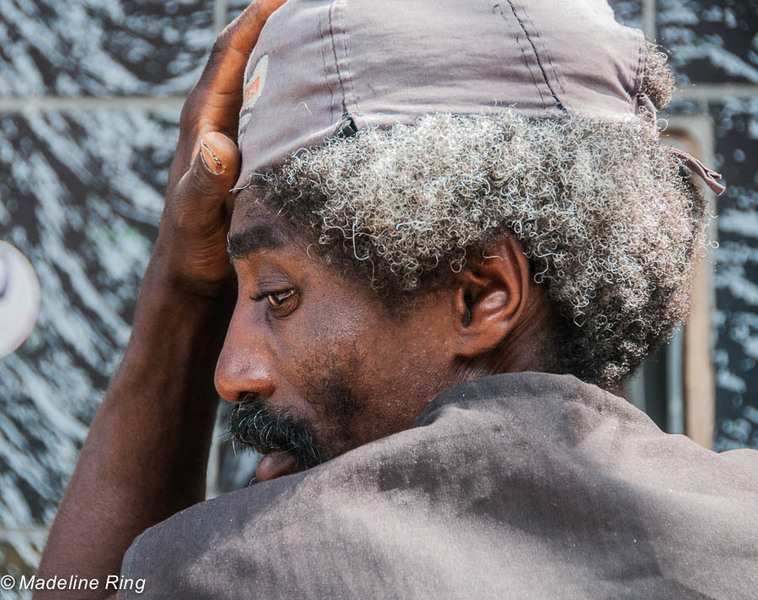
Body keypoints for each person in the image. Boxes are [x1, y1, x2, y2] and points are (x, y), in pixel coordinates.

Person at [36, 0, 757, 598]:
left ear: (481, 294)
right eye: (234, 296)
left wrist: (180, 281)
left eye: (278, 296)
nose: (232, 372)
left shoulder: (237, 570)